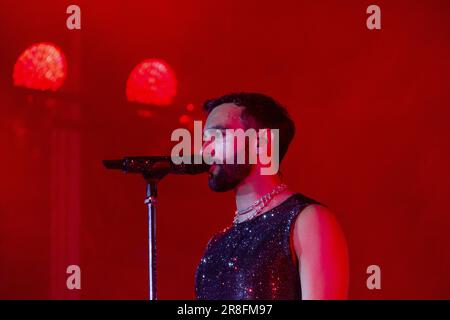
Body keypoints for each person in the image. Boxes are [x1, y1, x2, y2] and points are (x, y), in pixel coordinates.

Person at [195, 92, 349, 300]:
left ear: (261, 142)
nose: (205, 150)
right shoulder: (216, 245)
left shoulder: (308, 221)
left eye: (218, 137)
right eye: (204, 140)